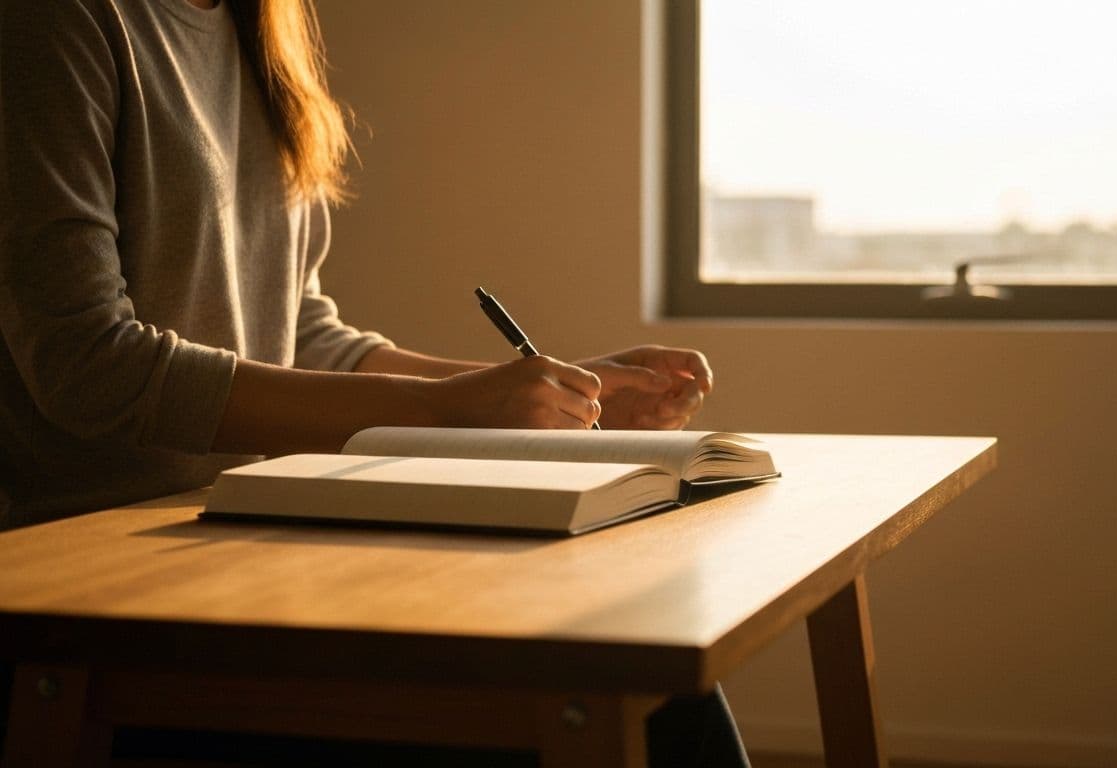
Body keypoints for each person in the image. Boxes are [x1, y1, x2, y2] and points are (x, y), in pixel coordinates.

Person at [0, 0, 748, 764]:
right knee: (625, 691)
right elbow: (87, 365)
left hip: (233, 545)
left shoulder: (257, 29)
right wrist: (451, 408)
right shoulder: (56, 22)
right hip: (87, 594)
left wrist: (539, 388)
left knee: (646, 667)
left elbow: (300, 335)